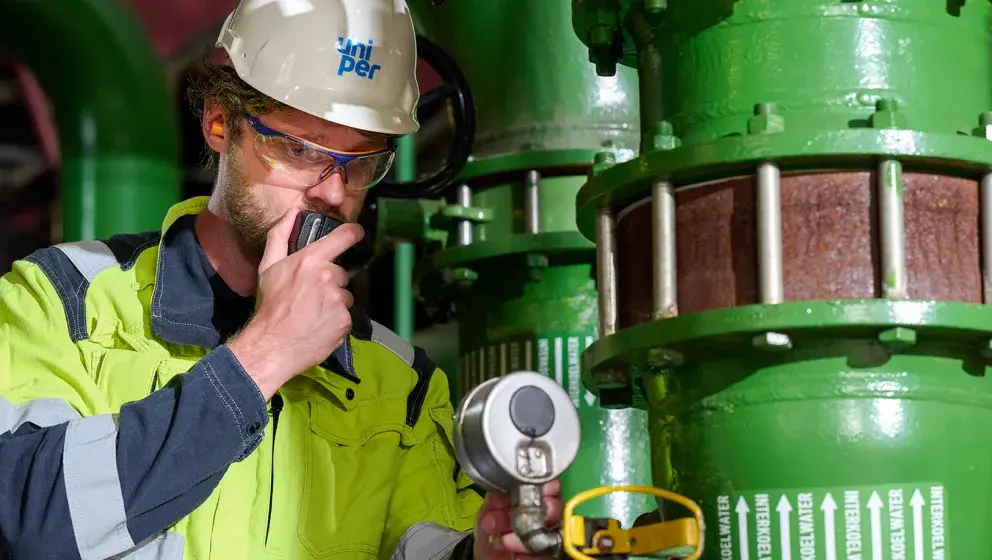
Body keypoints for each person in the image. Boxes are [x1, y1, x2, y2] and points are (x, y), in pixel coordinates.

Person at [0, 1, 562, 558]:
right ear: (219, 120)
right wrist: (264, 355)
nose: (334, 192)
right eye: (298, 149)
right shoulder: (64, 299)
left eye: (360, 162)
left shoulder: (400, 385)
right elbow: (26, 520)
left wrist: (487, 552)